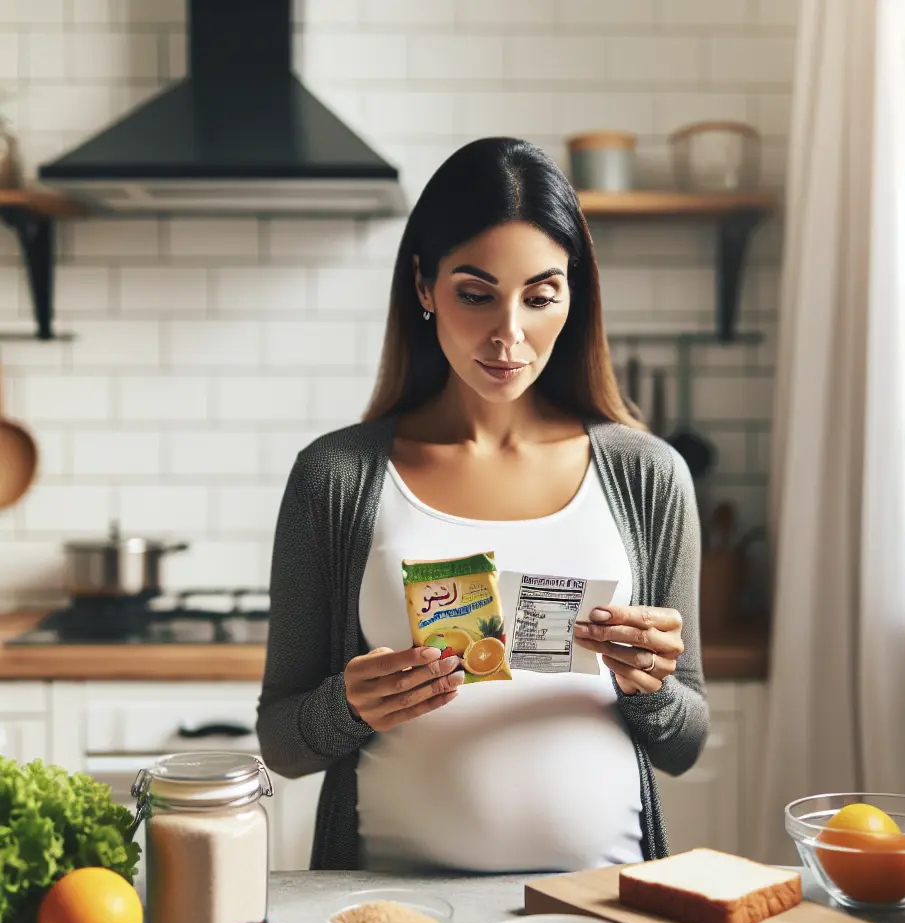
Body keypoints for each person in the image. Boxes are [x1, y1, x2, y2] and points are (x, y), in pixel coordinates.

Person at [256, 137, 709, 872]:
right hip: (392, 909)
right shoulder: (334, 478)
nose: (509, 334)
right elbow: (282, 743)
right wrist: (348, 707)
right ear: (424, 287)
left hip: (606, 902)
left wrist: (648, 684)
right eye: (475, 293)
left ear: (575, 293)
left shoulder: (650, 477)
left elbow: (685, 745)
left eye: (540, 296)